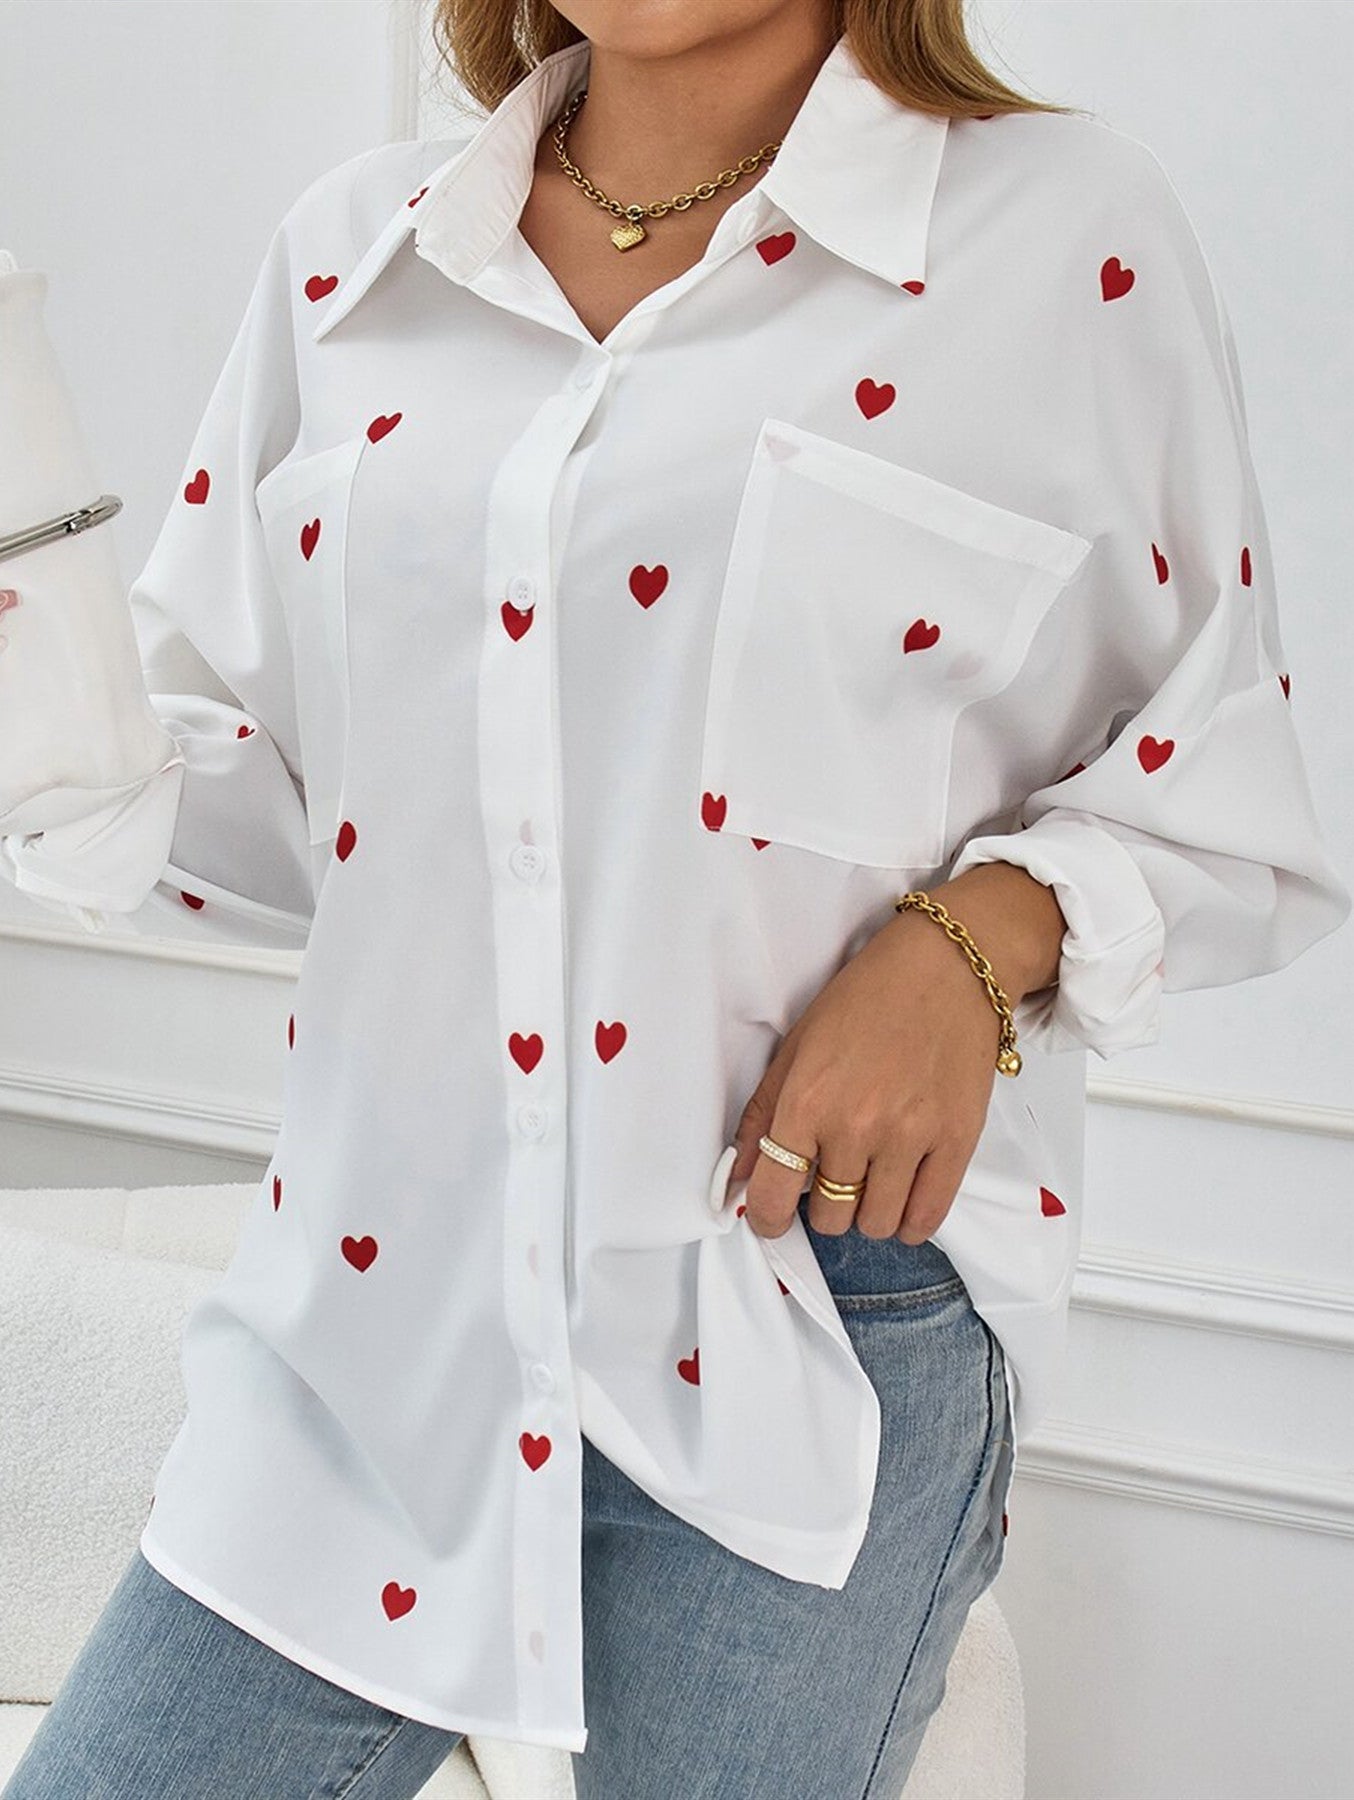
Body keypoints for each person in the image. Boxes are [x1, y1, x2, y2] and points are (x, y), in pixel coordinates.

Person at [3, 1, 1348, 1796]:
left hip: (802, 1314)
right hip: (375, 1327)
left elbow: (1222, 790)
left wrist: (969, 943)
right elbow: (299, 812)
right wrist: (60, 716)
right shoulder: (351, 256)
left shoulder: (1060, 234)